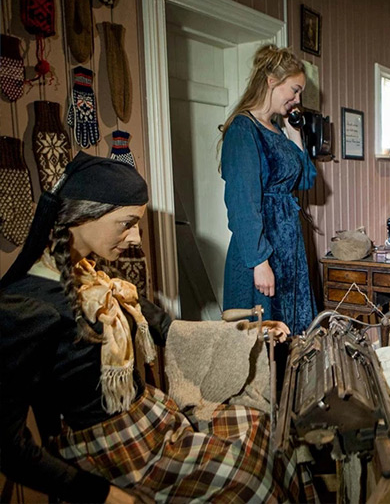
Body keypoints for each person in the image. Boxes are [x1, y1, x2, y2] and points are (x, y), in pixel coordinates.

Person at [0, 153, 313, 503]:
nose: (135, 237)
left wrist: (252, 333)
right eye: (126, 223)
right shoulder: (27, 307)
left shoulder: (97, 279)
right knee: (250, 480)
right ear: (83, 215)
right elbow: (9, 447)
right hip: (110, 457)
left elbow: (166, 327)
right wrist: (104, 495)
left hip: (151, 424)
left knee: (265, 430)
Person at [220, 44, 317, 335]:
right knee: (261, 343)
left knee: (293, 335)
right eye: (295, 90)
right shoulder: (243, 129)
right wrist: (260, 262)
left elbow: (306, 180)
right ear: (272, 81)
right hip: (260, 251)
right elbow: (242, 204)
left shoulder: (276, 130)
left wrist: (294, 130)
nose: (297, 99)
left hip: (289, 249)